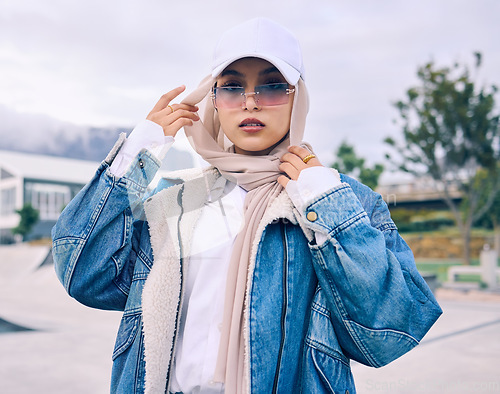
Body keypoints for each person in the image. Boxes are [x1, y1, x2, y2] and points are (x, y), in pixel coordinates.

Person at [52, 17, 442, 394]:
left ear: (297, 99)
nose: (251, 103)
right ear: (214, 101)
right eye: (233, 88)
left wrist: (328, 204)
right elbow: (84, 273)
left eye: (272, 87)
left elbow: (390, 330)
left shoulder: (341, 200)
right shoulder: (174, 202)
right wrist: (140, 153)